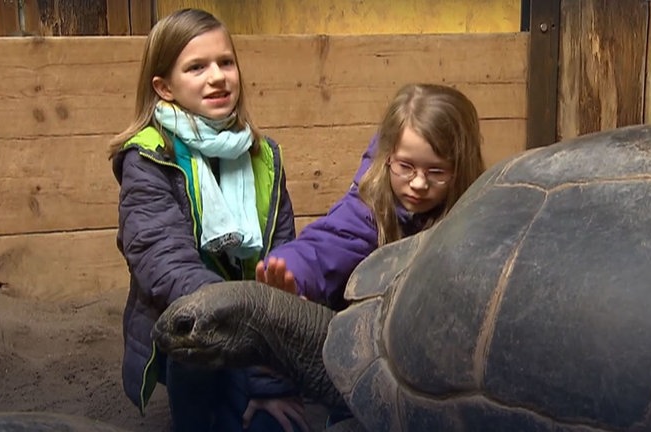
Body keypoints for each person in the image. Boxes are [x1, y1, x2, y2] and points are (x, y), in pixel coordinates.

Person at [108, 8, 307, 432]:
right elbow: (161, 261)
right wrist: (247, 319)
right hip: (193, 318)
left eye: (226, 62)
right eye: (196, 67)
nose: (217, 77)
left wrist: (274, 354)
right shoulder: (148, 157)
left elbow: (282, 247)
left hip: (258, 325)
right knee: (191, 347)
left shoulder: (263, 154)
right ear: (164, 87)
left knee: (278, 422)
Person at [256, 83, 485, 311]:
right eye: (406, 167)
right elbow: (324, 247)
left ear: (460, 168)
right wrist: (291, 274)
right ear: (387, 157)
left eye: (436, 172)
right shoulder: (370, 209)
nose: (419, 184)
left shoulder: (479, 209)